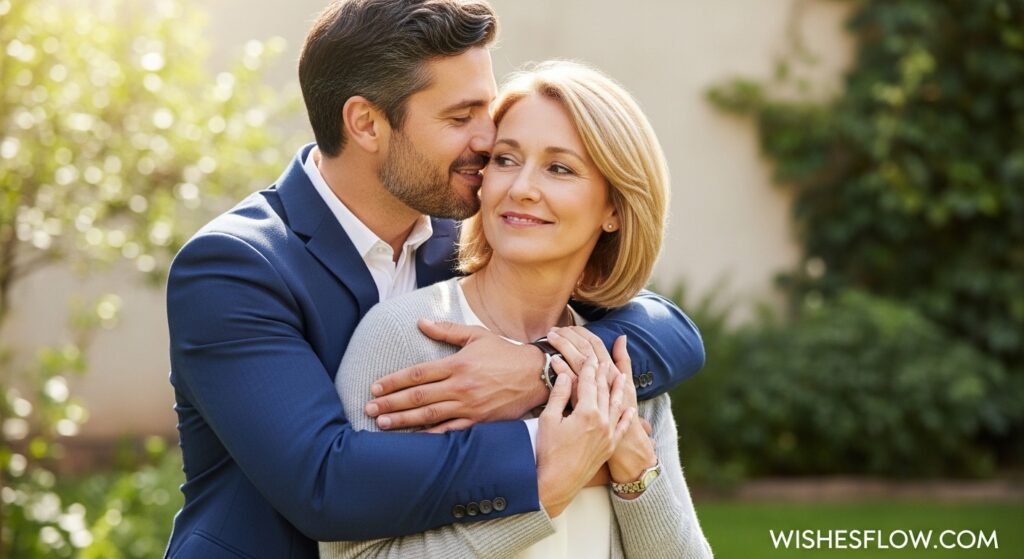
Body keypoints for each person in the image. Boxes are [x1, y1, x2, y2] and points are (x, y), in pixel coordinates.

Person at [164, 1, 705, 558]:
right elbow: (324, 484)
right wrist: (556, 448)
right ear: (367, 123)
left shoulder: (469, 236)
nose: (487, 138)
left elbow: (672, 333)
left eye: (486, 109)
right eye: (460, 116)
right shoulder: (236, 267)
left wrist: (540, 370)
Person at [320, 61, 713, 559]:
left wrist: (636, 469)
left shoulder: (615, 365)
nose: (521, 186)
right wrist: (549, 493)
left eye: (559, 168)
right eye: (506, 159)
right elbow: (355, 555)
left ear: (614, 208)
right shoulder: (403, 339)